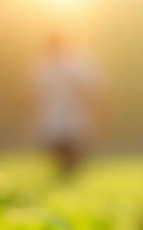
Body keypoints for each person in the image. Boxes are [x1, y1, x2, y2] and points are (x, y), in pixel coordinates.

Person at [34, 33, 106, 175]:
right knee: (70, 164)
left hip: (55, 124)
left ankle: (64, 187)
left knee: (61, 163)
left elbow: (33, 94)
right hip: (73, 123)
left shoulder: (44, 65)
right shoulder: (79, 62)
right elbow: (95, 90)